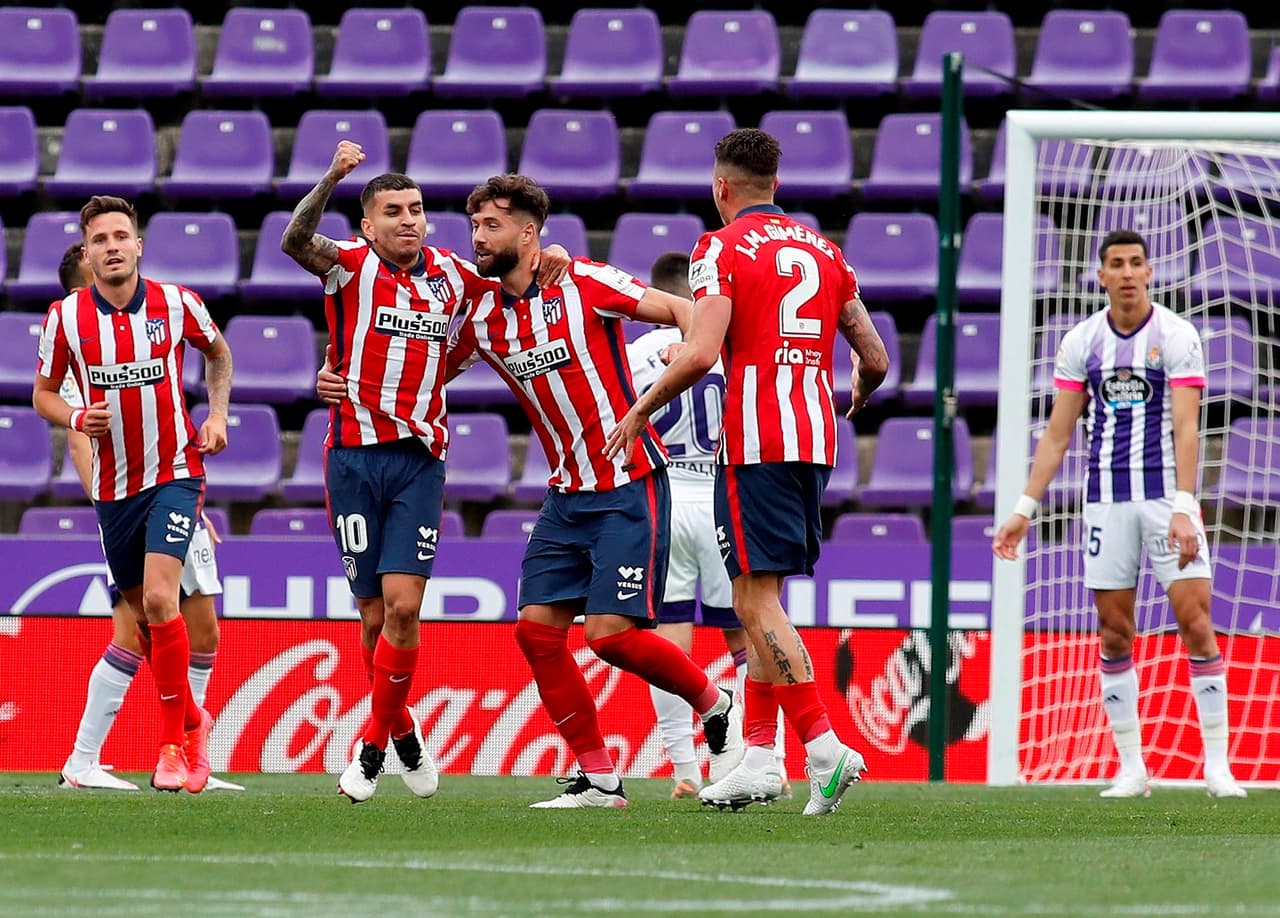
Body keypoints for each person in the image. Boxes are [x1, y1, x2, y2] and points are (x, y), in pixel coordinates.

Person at [606, 129, 890, 815]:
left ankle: (824, 747)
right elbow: (874, 356)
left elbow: (700, 352)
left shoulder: (719, 247)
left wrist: (641, 409)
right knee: (757, 601)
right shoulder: (825, 251)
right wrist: (855, 394)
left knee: (755, 605)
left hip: (756, 442)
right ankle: (760, 757)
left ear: (721, 187)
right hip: (814, 439)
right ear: (776, 185)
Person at [281, 142, 570, 803]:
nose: (410, 220)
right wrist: (331, 176)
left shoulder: (452, 275)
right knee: (374, 616)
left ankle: (373, 747)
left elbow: (516, 279)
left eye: (416, 209)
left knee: (405, 608)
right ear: (368, 226)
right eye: (393, 211)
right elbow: (295, 237)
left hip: (419, 461)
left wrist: (548, 256)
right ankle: (404, 731)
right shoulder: (349, 268)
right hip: (353, 457)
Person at [445, 174, 744, 809]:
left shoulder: (583, 281)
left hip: (630, 482)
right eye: (474, 226)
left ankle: (715, 702)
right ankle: (600, 778)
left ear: (529, 233)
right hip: (565, 493)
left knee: (608, 636)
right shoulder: (480, 313)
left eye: (491, 226)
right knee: (535, 633)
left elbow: (685, 309)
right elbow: (424, 363)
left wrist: (690, 351)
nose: (478, 238)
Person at [992, 229, 1247, 799]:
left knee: (1197, 623)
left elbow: (1188, 426)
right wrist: (1023, 509)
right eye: (1117, 264)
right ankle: (1132, 766)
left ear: (1150, 272)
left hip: (1166, 502)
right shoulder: (1082, 342)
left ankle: (1217, 765)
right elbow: (1057, 435)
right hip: (1106, 502)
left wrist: (1186, 506)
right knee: (1114, 632)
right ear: (1101, 276)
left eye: (1137, 263)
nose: (1128, 273)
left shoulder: (1176, 336)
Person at [35, 195, 233, 793]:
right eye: (100, 239)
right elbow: (43, 395)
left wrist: (218, 414)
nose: (113, 246)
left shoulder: (176, 303)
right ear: (88, 252)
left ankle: (177, 746)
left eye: (122, 236)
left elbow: (218, 353)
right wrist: (74, 418)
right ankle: (176, 736)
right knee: (146, 624)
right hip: (115, 495)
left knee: (157, 602)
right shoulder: (65, 318)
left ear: (139, 245)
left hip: (175, 473)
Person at [628, 251, 789, 800]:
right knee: (750, 628)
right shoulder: (730, 342)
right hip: (724, 494)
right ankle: (767, 759)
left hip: (664, 498)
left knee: (669, 636)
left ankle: (685, 768)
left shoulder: (635, 353)